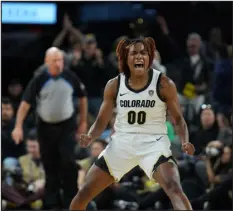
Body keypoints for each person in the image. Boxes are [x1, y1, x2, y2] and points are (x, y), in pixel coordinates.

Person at [70, 37, 195, 210]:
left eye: (143, 53)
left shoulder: (164, 84)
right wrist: (90, 135)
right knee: (84, 192)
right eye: (133, 53)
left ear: (149, 58)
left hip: (153, 144)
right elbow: (101, 121)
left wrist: (184, 141)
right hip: (122, 144)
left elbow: (179, 120)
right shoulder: (114, 85)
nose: (139, 57)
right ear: (125, 58)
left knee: (174, 187)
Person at [12, 47, 88, 209]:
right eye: (54, 60)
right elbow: (25, 104)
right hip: (45, 127)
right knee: (49, 164)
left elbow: (83, 98)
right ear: (47, 62)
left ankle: (71, 201)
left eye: (60, 60)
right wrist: (18, 126)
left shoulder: (70, 77)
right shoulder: (38, 80)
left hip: (67, 126)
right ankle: (51, 203)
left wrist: (83, 122)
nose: (58, 63)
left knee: (68, 162)